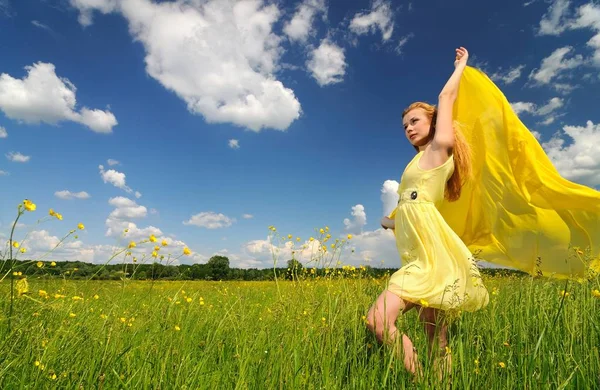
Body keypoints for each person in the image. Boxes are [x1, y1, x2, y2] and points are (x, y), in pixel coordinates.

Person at [365, 47, 489, 380]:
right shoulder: (415, 163)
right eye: (404, 124)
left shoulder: (439, 149)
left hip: (432, 258)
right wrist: (390, 221)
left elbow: (445, 97)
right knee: (436, 337)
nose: (408, 128)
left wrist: (460, 66)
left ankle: (418, 374)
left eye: (415, 120)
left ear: (434, 123)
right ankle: (433, 382)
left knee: (379, 320)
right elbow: (414, 206)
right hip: (417, 257)